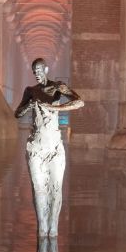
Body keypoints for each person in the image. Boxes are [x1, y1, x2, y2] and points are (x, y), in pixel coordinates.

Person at [14, 58, 84, 237]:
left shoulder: (58, 87)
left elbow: (79, 102)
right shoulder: (30, 91)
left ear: (46, 69)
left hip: (54, 146)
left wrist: (56, 108)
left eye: (39, 70)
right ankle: (42, 227)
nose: (36, 73)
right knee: (38, 188)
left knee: (55, 188)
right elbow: (17, 113)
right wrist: (29, 106)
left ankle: (53, 228)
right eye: (34, 71)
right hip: (36, 146)